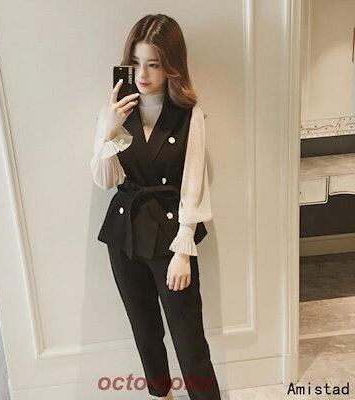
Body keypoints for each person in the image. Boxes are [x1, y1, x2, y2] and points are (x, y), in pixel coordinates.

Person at [90, 14, 221, 400]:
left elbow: (194, 183)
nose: (143, 74)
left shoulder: (188, 114)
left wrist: (184, 249)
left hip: (170, 235)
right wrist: (110, 128)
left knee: (188, 338)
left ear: (172, 66)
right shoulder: (115, 113)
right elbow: (104, 179)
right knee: (145, 331)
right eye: (136, 62)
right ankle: (161, 396)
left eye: (154, 63)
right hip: (124, 232)